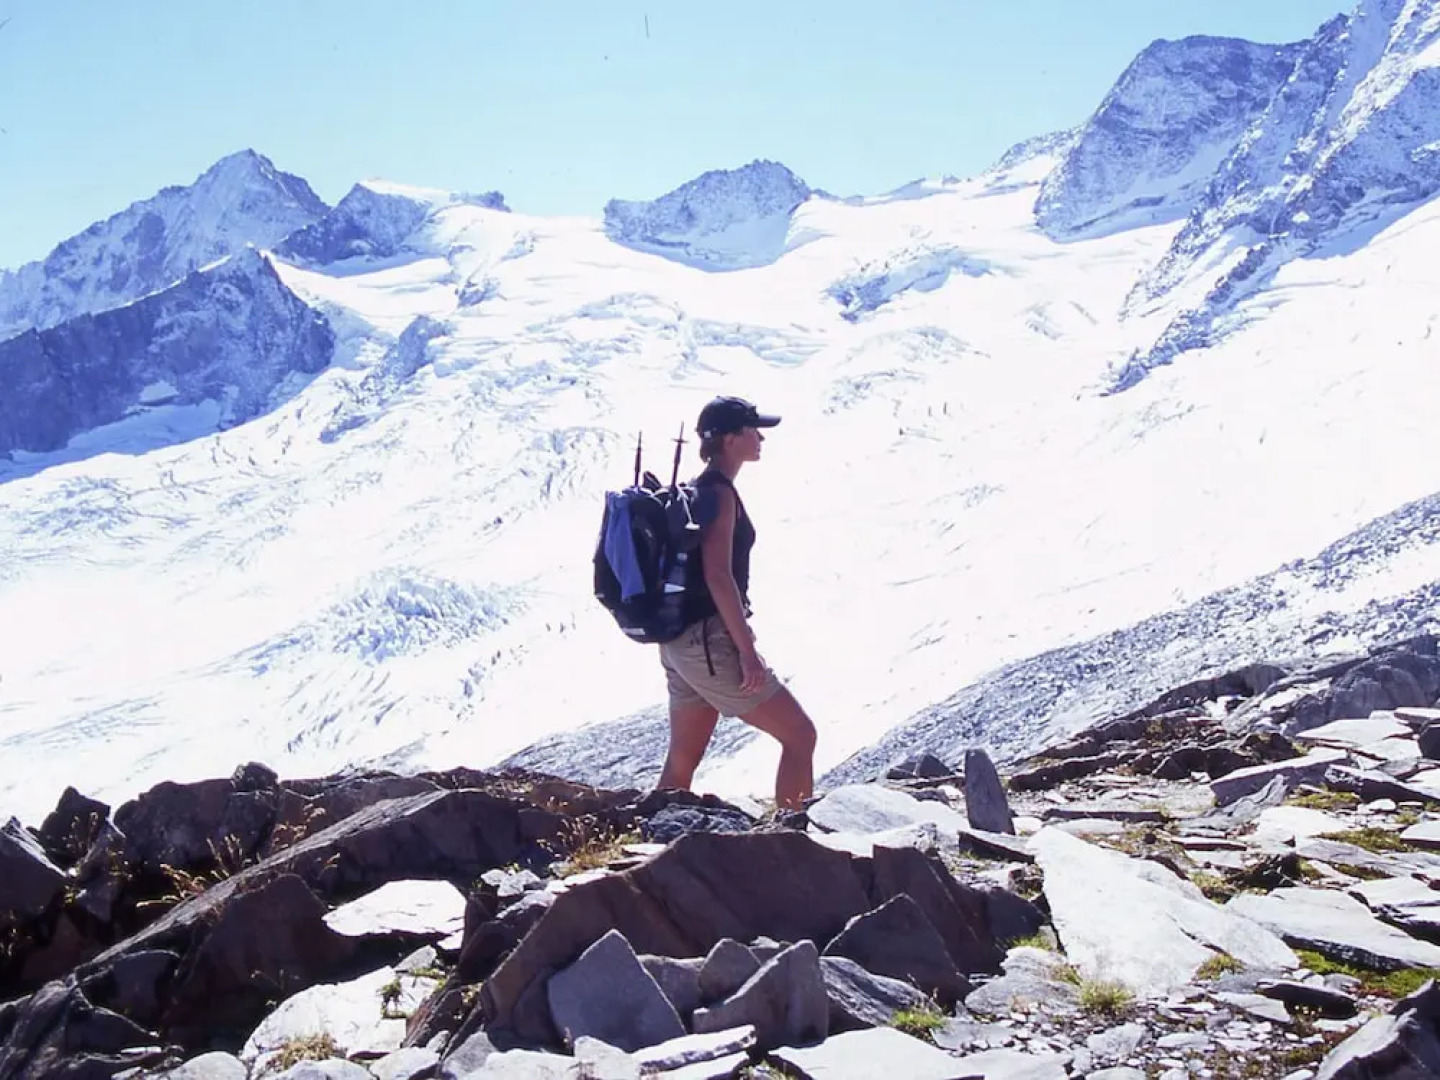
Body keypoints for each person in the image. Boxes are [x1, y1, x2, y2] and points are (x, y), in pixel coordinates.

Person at [655, 395, 818, 810]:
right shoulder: (719, 494)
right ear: (730, 439)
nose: (761, 437)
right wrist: (747, 653)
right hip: (709, 642)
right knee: (800, 735)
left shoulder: (699, 491)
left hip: (681, 641)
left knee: (682, 760)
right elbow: (717, 576)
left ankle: (649, 846)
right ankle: (792, 841)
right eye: (752, 429)